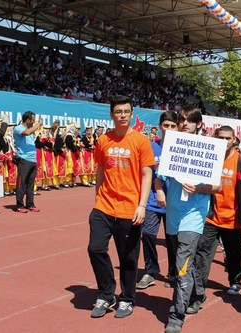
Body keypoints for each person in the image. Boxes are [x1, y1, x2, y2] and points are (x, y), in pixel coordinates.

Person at [87, 95, 155, 319]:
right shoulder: (103, 140)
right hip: (104, 205)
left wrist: (142, 205)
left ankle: (127, 298)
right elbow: (100, 169)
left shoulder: (141, 141)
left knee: (128, 258)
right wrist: (97, 197)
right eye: (118, 111)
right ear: (111, 115)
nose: (123, 115)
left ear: (132, 114)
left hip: (130, 208)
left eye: (126, 111)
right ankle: (107, 294)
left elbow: (147, 174)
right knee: (95, 249)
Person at [156, 106, 221, 333]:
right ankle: (198, 292)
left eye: (189, 121)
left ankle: (176, 316)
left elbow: (217, 186)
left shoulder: (208, 149)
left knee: (181, 266)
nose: (184, 124)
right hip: (173, 216)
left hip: (193, 219)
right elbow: (159, 179)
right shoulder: (170, 147)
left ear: (198, 125)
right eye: (182, 119)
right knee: (184, 262)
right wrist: (160, 191)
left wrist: (199, 187)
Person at [194, 125, 241, 297]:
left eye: (227, 138)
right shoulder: (209, 158)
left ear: (234, 140)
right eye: (220, 138)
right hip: (211, 216)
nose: (224, 141)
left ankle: (235, 281)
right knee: (203, 252)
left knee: (234, 253)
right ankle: (199, 286)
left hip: (233, 218)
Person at [136, 111, 178, 290]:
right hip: (153, 201)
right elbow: (144, 173)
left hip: (174, 202)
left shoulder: (182, 148)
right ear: (160, 126)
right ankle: (150, 271)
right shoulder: (151, 147)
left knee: (172, 240)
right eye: (166, 125)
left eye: (172, 126)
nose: (168, 129)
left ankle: (173, 273)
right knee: (148, 235)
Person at [13, 111, 41, 213]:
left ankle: (30, 204)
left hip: (32, 160)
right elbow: (26, 133)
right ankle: (19, 205)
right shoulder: (19, 128)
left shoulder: (30, 130)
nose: (34, 122)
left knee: (30, 183)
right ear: (28, 120)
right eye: (33, 120)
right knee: (21, 182)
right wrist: (38, 125)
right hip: (23, 159)